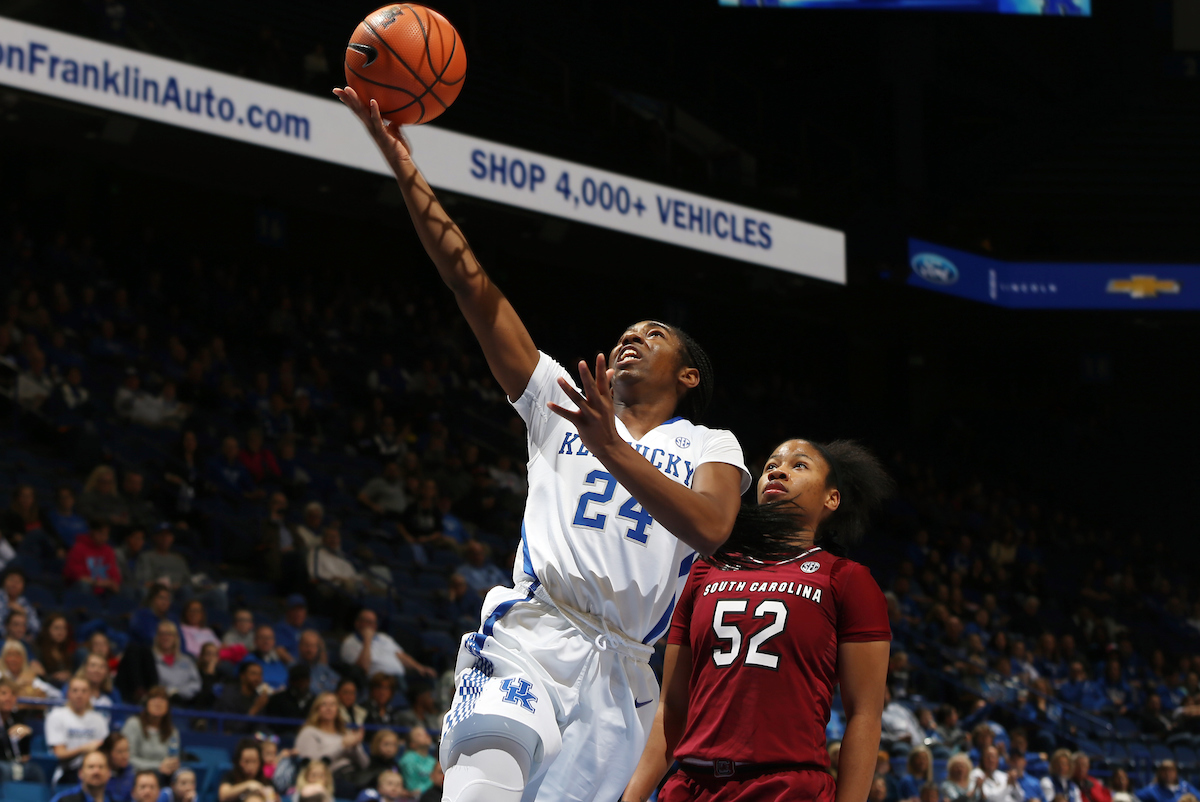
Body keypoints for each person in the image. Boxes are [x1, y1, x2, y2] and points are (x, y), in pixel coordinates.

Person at [337, 85, 749, 802]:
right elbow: (473, 289)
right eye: (625, 332)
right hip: (531, 632)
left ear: (687, 376)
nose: (630, 338)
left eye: (652, 335)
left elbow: (713, 529)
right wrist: (402, 164)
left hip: (621, 676)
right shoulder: (560, 400)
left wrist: (613, 450)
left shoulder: (713, 444)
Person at [624, 438, 892, 802]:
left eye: (799, 465)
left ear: (832, 499)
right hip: (690, 784)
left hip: (785, 786)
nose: (778, 470)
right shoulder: (706, 569)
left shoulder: (846, 579)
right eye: (770, 465)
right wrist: (633, 795)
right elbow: (671, 707)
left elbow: (864, 715)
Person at [294, 692, 370, 798]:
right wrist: (342, 746)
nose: (328, 708)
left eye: (333, 704)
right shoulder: (309, 732)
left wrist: (355, 746)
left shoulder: (345, 733)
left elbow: (365, 765)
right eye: (324, 704)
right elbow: (312, 764)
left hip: (355, 774)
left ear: (338, 709)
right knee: (350, 788)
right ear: (317, 709)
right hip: (330, 777)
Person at [340, 608, 435, 684]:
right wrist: (367, 640)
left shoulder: (383, 638)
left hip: (400, 678)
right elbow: (362, 669)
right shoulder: (349, 643)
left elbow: (401, 656)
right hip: (377, 682)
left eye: (373, 622)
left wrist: (420, 668)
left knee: (428, 680)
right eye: (367, 621)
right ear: (357, 623)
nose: (371, 626)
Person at [47, 676, 112, 786]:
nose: (79, 695)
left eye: (84, 691)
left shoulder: (98, 719)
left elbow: (105, 750)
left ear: (90, 694)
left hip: (95, 769)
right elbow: (59, 753)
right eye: (75, 690)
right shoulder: (57, 715)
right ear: (68, 693)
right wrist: (84, 749)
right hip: (68, 771)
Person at [0, 678, 47, 782]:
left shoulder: (17, 718)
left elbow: (24, 733)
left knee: (36, 771)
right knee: (4, 770)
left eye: (13, 694)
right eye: (3, 693)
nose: (8, 698)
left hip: (17, 763)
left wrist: (25, 730)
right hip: (3, 764)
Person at [64, 518, 122, 595]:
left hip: (104, 588)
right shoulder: (78, 548)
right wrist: (96, 582)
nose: (104, 537)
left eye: (106, 534)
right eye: (101, 533)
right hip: (86, 586)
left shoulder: (108, 550)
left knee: (126, 591)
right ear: (92, 532)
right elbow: (74, 574)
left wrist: (112, 582)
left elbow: (114, 574)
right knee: (84, 586)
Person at [215, 660, 272, 734]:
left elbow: (261, 727)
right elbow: (231, 729)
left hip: (252, 739)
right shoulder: (229, 695)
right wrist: (254, 710)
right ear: (242, 676)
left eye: (260, 675)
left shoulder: (258, 697)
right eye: (253, 674)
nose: (257, 679)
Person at [152, 621, 201, 704]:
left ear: (176, 637)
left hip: (184, 702)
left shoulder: (187, 661)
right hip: (159, 701)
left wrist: (177, 692)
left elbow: (196, 684)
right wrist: (169, 691)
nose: (165, 637)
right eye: (162, 634)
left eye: (169, 634)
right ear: (157, 637)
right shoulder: (150, 659)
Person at [219, 738, 276, 802]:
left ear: (260, 762)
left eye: (254, 761)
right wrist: (249, 784)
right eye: (246, 761)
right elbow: (223, 796)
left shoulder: (265, 780)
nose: (250, 766)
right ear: (239, 761)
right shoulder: (231, 776)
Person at [49, 749, 114, 802]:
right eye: (91, 767)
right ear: (80, 773)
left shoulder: (116, 799)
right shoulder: (63, 800)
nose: (96, 771)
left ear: (109, 773)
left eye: (101, 767)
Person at [0, 566, 41, 637]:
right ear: (4, 581)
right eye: (11, 580)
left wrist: (24, 613)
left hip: (19, 642)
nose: (14, 584)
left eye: (18, 581)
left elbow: (37, 628)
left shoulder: (25, 602)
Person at [297, 629, 340, 695]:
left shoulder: (322, 668)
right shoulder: (294, 668)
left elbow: (339, 684)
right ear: (300, 646)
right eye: (307, 645)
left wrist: (321, 687)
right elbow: (311, 690)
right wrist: (324, 687)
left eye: (313, 646)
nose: (310, 650)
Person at [399, 727, 437, 799]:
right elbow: (413, 788)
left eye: (425, 733)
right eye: (419, 735)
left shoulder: (432, 760)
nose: (426, 735)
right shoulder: (408, 759)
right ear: (412, 744)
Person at [1135, 761, 1200, 802]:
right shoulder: (1153, 789)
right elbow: (1135, 797)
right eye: (1164, 771)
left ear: (1176, 773)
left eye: (1171, 771)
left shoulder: (1185, 786)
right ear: (1159, 773)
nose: (1168, 774)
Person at [102, 732, 136, 802]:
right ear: (107, 753)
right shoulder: (99, 775)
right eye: (119, 752)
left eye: (127, 750)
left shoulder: (131, 773)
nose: (125, 756)